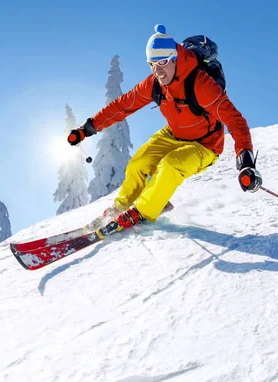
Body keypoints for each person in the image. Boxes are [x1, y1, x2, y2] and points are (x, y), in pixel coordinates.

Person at [67, 24, 262, 233]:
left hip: (205, 144)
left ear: (176, 58)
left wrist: (246, 161)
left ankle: (142, 212)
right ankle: (120, 208)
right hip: (173, 134)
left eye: (162, 62)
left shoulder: (201, 84)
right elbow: (122, 106)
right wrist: (87, 128)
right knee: (138, 163)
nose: (158, 71)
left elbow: (235, 120)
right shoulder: (154, 84)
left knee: (171, 165)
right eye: (152, 64)